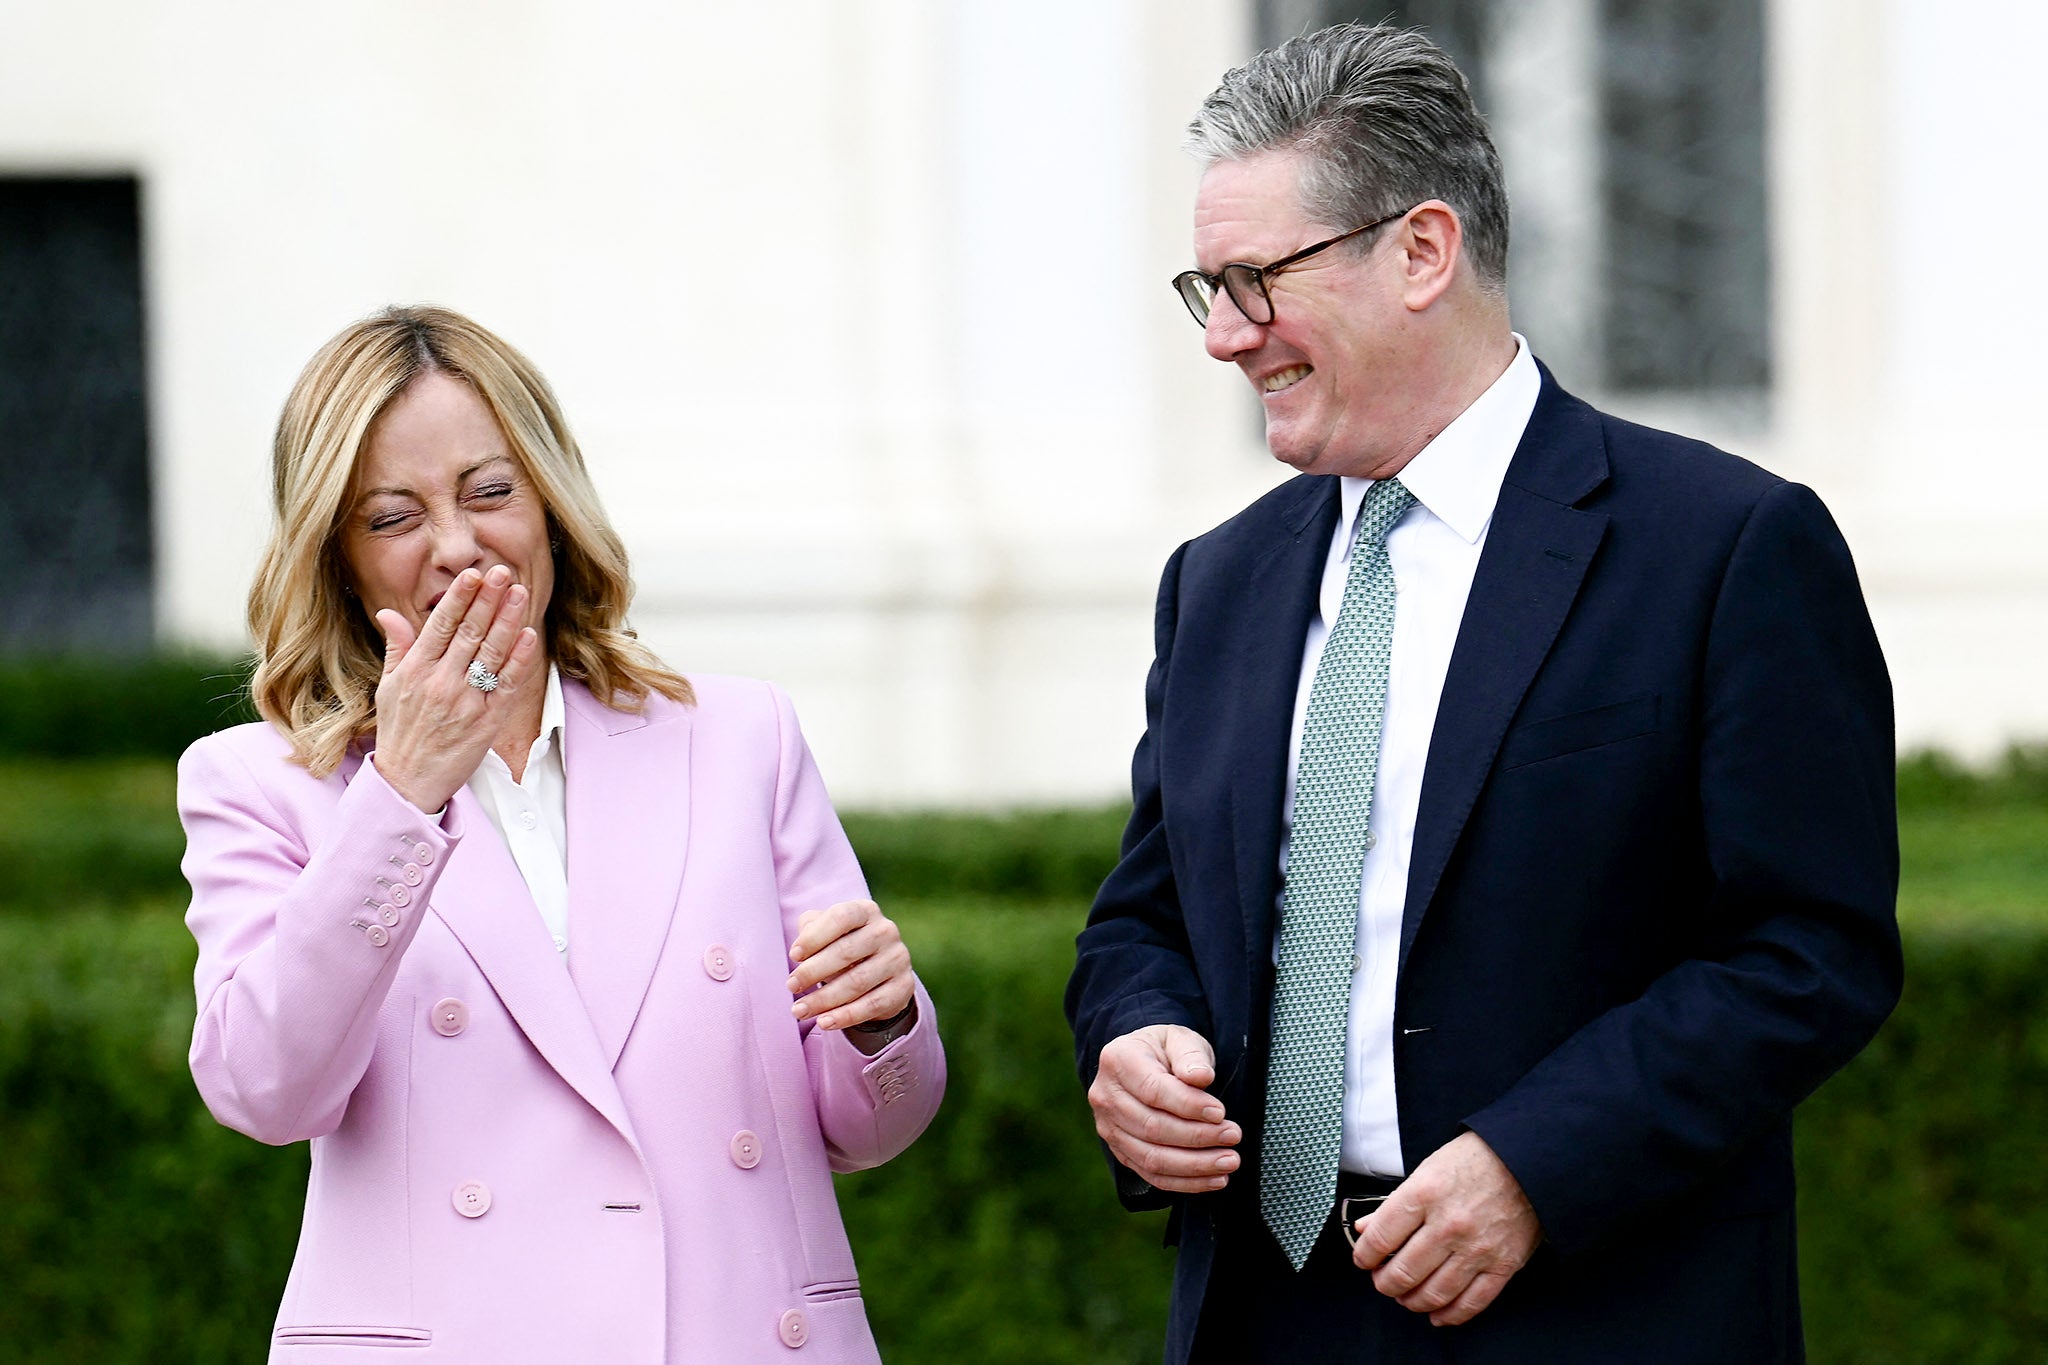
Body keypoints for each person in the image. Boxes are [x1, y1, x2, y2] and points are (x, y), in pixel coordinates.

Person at [1065, 23, 1899, 1365]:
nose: (1224, 336)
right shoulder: (1215, 584)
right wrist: (1139, 1031)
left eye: (1253, 280)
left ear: (1422, 251)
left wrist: (1535, 1164)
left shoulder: (1724, 545)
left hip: (1594, 1310)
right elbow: (1143, 916)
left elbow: (1810, 952)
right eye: (1204, 288)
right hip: (1261, 1317)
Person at [179, 306, 943, 1363]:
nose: (457, 546)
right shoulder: (258, 783)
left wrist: (879, 1020)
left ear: (549, 503)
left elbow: (871, 1125)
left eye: (490, 492)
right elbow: (263, 1087)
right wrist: (399, 796)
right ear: (338, 555)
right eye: (394, 516)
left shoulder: (739, 739)